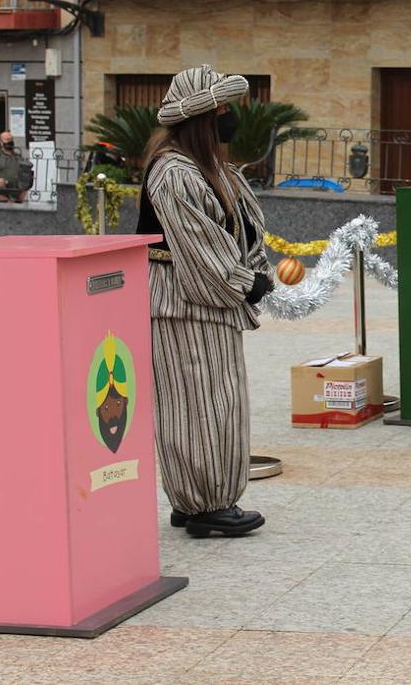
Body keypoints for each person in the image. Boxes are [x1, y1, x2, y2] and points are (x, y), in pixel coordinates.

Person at [137, 65, 276, 538]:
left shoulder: (209, 167)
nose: (229, 115)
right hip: (181, 304)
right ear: (200, 117)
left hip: (200, 304)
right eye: (220, 108)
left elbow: (241, 230)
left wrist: (256, 270)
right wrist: (244, 282)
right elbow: (198, 246)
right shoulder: (174, 172)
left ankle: (196, 498)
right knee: (198, 404)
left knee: (214, 399)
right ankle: (204, 504)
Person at [0, 131, 29, 202]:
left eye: (11, 139)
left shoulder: (19, 157)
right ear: (1, 142)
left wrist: (24, 190)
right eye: (7, 139)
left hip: (16, 195)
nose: (10, 142)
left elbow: (24, 174)